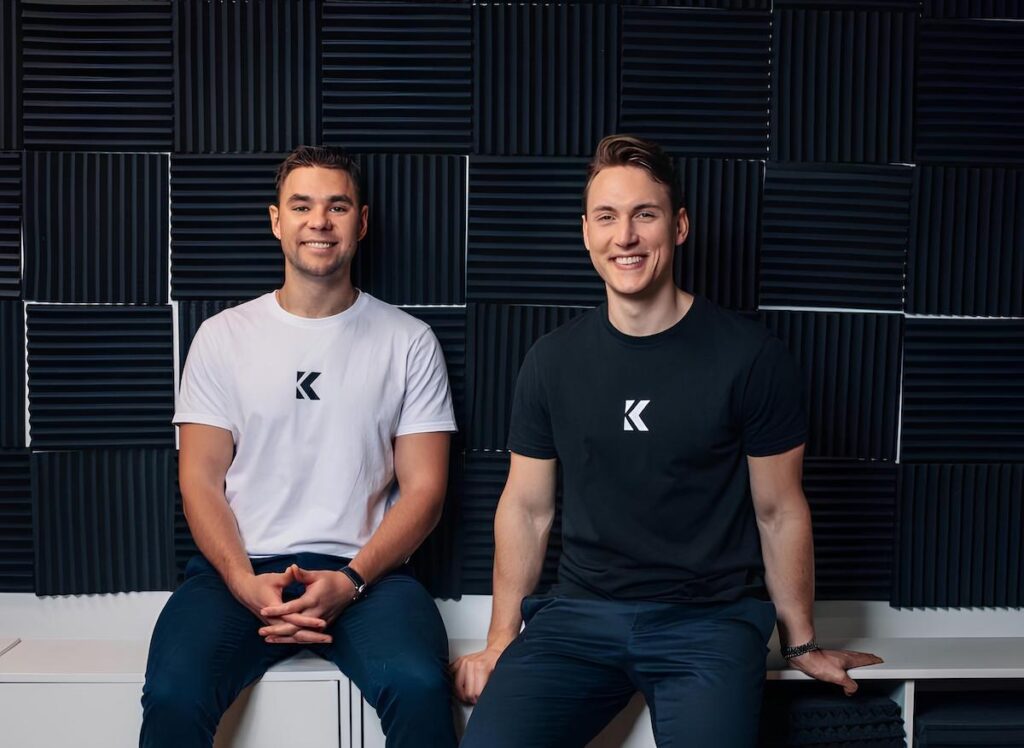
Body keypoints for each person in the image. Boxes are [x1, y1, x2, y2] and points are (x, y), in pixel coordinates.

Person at [452, 134, 882, 747]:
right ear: (586, 233)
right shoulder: (551, 362)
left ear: (678, 227)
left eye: (644, 215)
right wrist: (499, 642)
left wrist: (800, 641)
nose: (625, 236)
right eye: (606, 217)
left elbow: (779, 509)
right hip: (578, 621)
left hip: (709, 623)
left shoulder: (751, 357)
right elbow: (526, 508)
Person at [141, 145, 459, 747]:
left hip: (368, 578)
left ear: (361, 222)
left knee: (420, 686)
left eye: (338, 206)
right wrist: (242, 582)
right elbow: (199, 480)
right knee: (173, 694)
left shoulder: (408, 341)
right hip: (238, 572)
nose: (320, 221)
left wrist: (352, 581)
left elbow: (426, 490)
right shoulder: (222, 337)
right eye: (302, 206)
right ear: (276, 220)